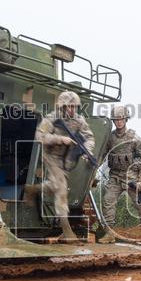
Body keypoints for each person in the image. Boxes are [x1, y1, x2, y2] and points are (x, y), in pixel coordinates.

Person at [33, 90, 95, 243]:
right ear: (62, 106)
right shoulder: (52, 118)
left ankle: (32, 190)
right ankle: (67, 232)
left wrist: (87, 151)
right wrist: (60, 139)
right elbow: (39, 136)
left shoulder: (79, 120)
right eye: (69, 106)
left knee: (55, 185)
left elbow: (89, 137)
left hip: (66, 159)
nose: (72, 110)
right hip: (51, 156)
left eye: (75, 107)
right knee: (61, 189)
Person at [96, 105, 141, 247]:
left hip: (132, 180)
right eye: (116, 119)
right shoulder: (110, 138)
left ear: (126, 119)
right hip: (115, 177)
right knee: (107, 201)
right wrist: (92, 170)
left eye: (121, 119)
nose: (119, 122)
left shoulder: (134, 138)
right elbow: (101, 156)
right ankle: (109, 234)